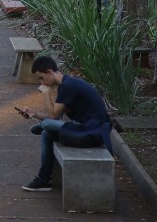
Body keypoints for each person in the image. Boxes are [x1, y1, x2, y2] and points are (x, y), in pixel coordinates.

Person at [19, 55, 113, 192]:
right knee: (47, 133)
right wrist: (35, 114)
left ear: (49, 72)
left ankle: (41, 126)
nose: (41, 82)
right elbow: (55, 117)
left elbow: (53, 116)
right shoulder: (67, 84)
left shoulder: (67, 86)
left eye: (41, 78)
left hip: (91, 132)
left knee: (46, 126)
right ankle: (43, 179)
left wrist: (45, 93)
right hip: (83, 129)